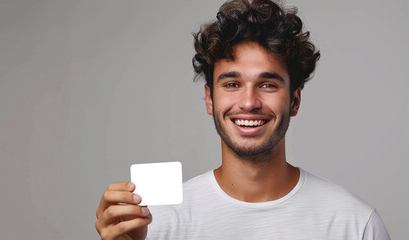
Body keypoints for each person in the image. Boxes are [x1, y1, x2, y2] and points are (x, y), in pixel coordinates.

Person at [95, 0, 391, 239]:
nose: (249, 102)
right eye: (232, 84)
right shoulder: (151, 224)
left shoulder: (354, 225)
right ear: (210, 99)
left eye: (268, 84)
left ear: (295, 100)